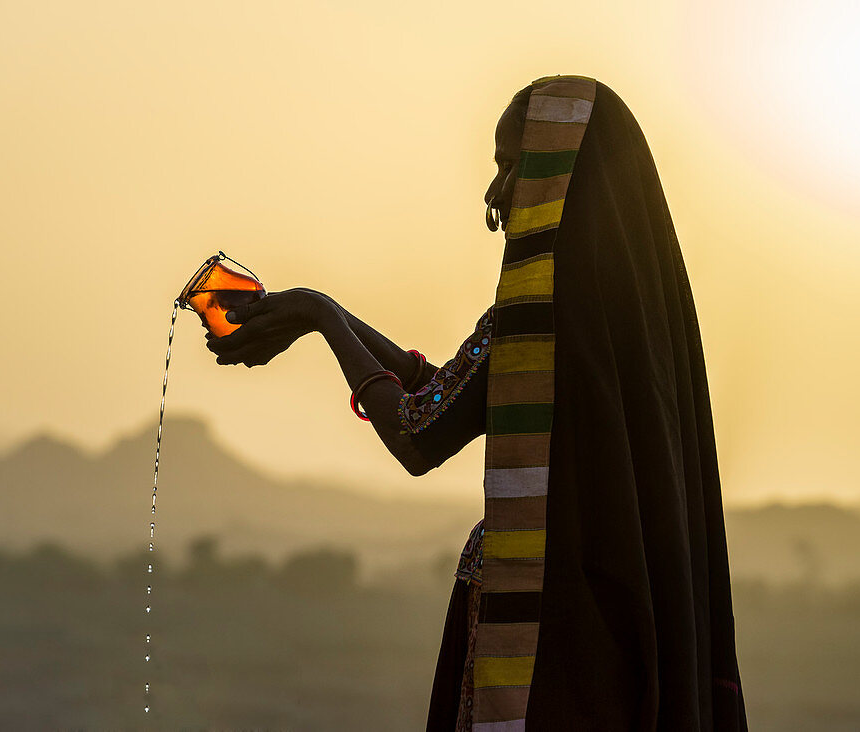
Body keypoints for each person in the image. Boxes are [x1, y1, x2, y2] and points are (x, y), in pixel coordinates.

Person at [207, 75, 748, 731]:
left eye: (510, 165)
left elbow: (419, 433)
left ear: (558, 173)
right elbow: (445, 391)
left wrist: (322, 318)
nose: (495, 192)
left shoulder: (543, 319)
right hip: (597, 659)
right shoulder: (617, 329)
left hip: (544, 664)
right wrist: (329, 316)